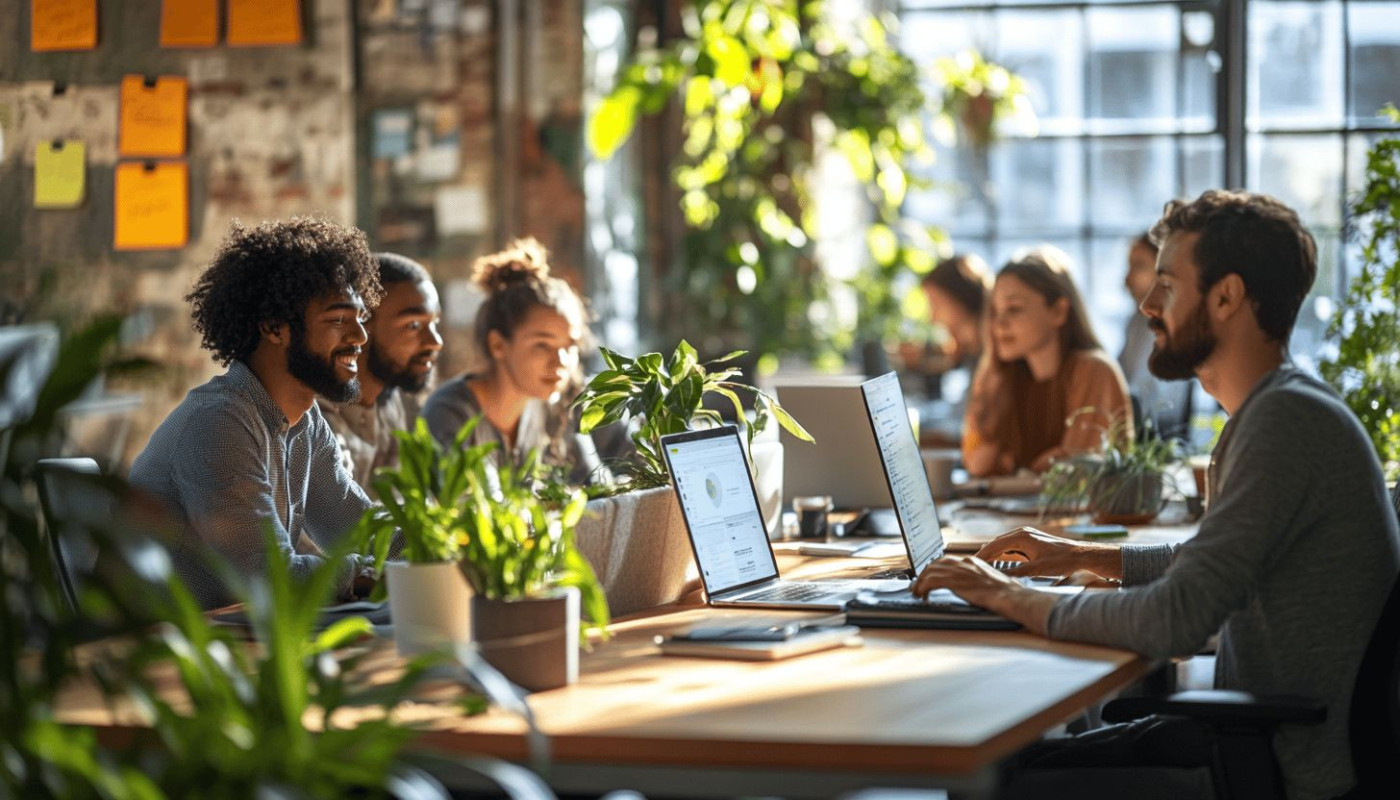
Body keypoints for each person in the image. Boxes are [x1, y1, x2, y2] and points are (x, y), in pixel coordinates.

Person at [914, 190, 1400, 800]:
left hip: (1276, 767)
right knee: (1014, 757)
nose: (1146, 305)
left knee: (990, 780)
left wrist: (1012, 598)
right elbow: (1205, 568)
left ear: (1225, 297)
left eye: (1166, 284)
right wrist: (1081, 557)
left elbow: (1177, 618)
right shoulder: (1277, 410)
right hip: (1252, 741)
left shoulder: (1284, 423)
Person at [130, 217, 391, 609]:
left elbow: (358, 528)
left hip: (230, 643)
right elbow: (266, 576)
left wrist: (449, 544)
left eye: (360, 319)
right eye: (338, 320)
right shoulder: (219, 423)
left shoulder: (305, 424)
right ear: (274, 327)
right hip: (155, 653)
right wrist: (369, 575)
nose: (360, 338)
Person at [420, 237, 602, 485]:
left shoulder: (552, 407)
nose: (561, 361)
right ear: (498, 345)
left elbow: (599, 490)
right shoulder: (450, 414)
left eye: (569, 346)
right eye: (542, 345)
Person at [962, 246, 1133, 476]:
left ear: (1058, 312)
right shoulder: (1004, 378)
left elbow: (1077, 471)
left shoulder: (1093, 370)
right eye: (994, 312)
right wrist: (992, 386)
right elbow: (977, 465)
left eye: (1014, 309)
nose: (999, 324)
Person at [320, 253, 443, 495]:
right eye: (414, 325)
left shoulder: (390, 403)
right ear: (362, 324)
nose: (435, 342)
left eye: (434, 322)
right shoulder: (315, 413)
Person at [1118, 232, 1194, 439]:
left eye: (1139, 266)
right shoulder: (1136, 321)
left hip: (1158, 437)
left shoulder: (1168, 325)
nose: (1127, 278)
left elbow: (1142, 393)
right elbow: (1121, 377)